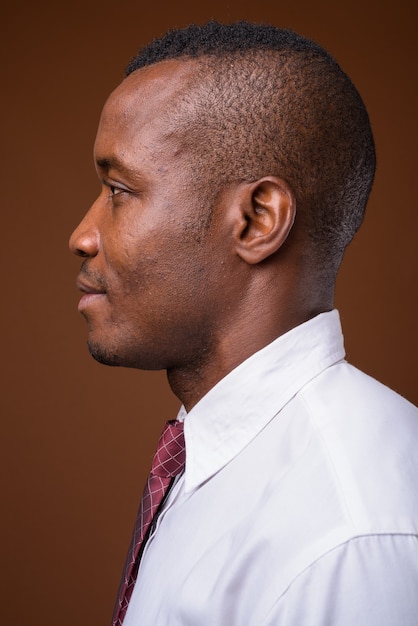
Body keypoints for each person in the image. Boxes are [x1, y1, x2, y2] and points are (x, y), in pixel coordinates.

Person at [69, 21, 418, 626]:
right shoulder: (211, 457)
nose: (82, 235)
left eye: (119, 189)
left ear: (257, 221)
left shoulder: (348, 537)